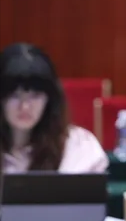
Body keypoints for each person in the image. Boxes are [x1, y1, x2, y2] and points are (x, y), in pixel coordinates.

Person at [1, 43, 108, 173]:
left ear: (50, 99)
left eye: (35, 96)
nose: (25, 106)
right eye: (14, 96)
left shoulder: (79, 146)